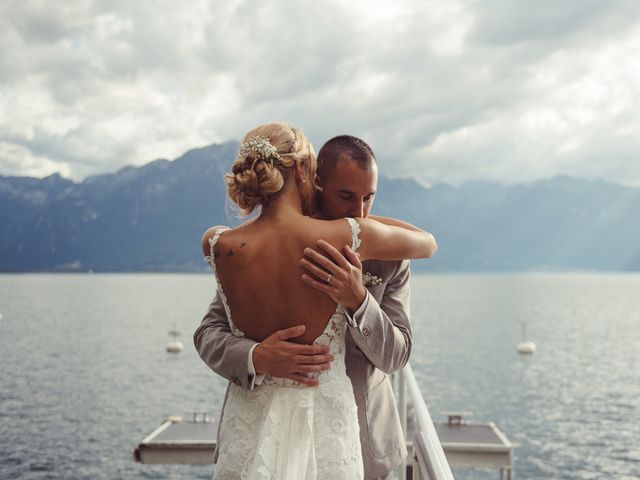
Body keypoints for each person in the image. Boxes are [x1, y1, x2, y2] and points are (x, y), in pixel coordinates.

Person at [195, 123, 437, 479]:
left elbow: (398, 355)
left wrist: (358, 299)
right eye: (345, 196)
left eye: (369, 197)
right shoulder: (263, 248)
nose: (360, 212)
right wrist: (255, 356)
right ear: (314, 181)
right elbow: (208, 333)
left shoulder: (389, 255)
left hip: (360, 441)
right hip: (267, 432)